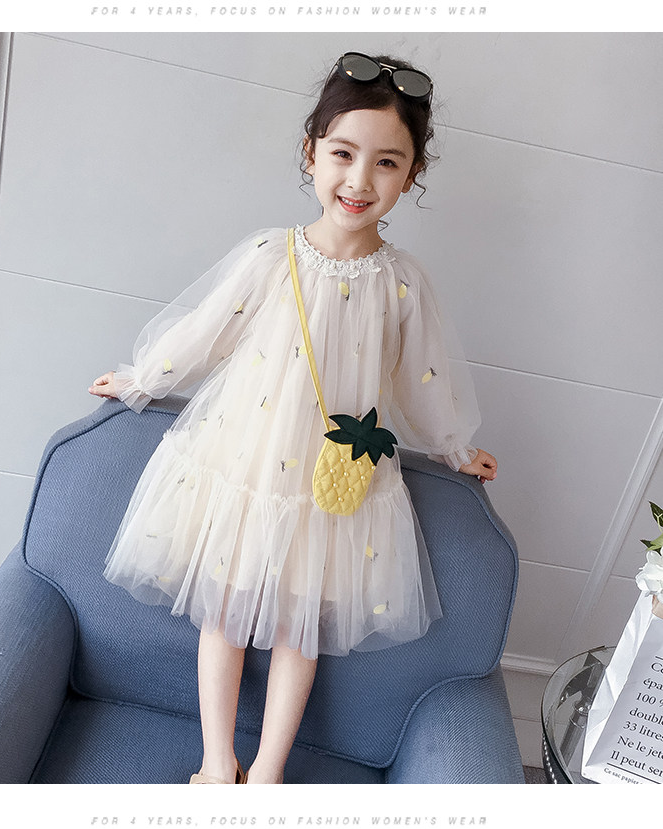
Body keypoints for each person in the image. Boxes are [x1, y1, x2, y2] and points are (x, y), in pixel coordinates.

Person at [88, 52, 497, 785]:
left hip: (334, 484)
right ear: (312, 153)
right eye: (343, 153)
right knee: (223, 613)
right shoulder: (269, 256)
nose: (359, 180)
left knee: (297, 629)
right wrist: (143, 378)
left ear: (411, 176)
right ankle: (218, 763)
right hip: (247, 461)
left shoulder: (402, 284)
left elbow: (425, 376)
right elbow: (207, 332)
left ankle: (268, 772)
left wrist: (455, 446)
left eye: (386, 163)